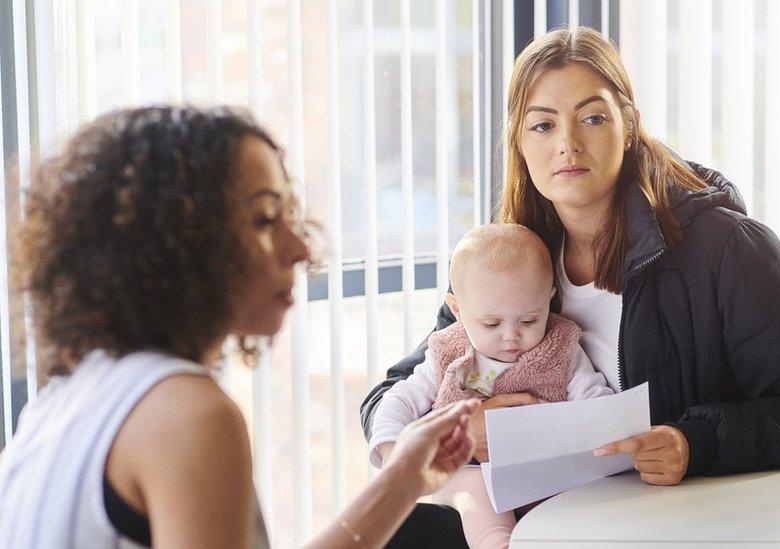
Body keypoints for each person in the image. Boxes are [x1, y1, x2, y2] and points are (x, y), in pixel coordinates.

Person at [361, 26, 780, 546]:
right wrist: (462, 434)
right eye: (542, 125)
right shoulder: (510, 257)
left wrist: (696, 441)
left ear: (630, 124)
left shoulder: (727, 249)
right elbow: (395, 393)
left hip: (669, 523)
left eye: (593, 118)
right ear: (519, 142)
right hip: (542, 520)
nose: (568, 145)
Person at [0, 105, 479, 549]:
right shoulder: (189, 414)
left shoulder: (64, 403)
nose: (301, 249)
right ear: (181, 243)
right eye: (264, 219)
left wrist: (406, 479)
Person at [368, 223, 613, 548]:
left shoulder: (561, 347)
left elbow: (597, 402)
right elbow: (399, 399)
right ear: (457, 310)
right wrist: (393, 452)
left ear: (549, 298)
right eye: (491, 323)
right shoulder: (448, 351)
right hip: (464, 469)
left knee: (565, 503)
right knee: (475, 489)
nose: (511, 336)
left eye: (529, 320)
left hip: (542, 471)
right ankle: (496, 542)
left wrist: (602, 433)